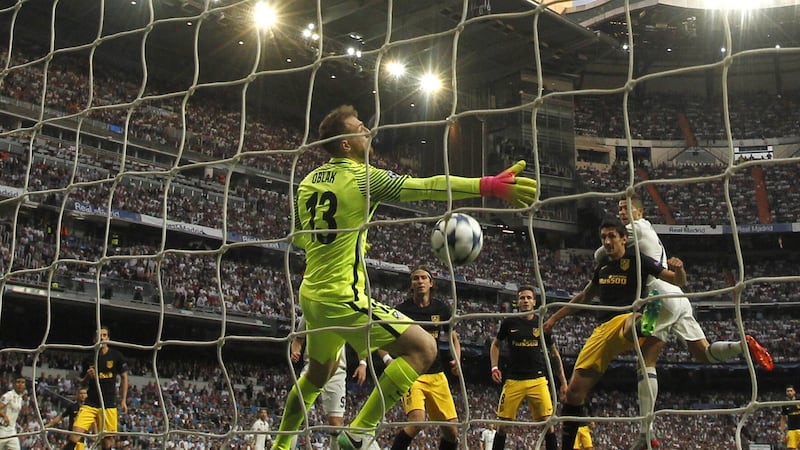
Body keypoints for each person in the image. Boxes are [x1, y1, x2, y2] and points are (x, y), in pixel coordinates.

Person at [271, 105, 537, 450]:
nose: (368, 130)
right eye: (360, 127)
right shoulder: (363, 177)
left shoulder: (307, 182)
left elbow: (301, 237)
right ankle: (360, 431)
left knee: (316, 376)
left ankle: (280, 445)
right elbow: (427, 187)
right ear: (347, 144)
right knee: (424, 348)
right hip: (341, 296)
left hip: (311, 296)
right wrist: (487, 185)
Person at [612, 195, 774, 449]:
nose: (622, 212)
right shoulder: (649, 228)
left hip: (657, 296)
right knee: (704, 354)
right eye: (619, 208)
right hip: (678, 297)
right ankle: (742, 345)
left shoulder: (638, 227)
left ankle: (646, 432)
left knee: (645, 360)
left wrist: (600, 253)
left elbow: (608, 248)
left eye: (626, 208)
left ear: (639, 211)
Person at [542, 217, 687, 450]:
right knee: (573, 395)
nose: (607, 242)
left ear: (624, 238)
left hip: (625, 319)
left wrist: (679, 270)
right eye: (603, 238)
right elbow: (585, 296)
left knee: (631, 323)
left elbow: (677, 281)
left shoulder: (638, 260)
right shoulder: (602, 267)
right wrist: (554, 318)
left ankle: (646, 319)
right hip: (601, 332)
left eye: (611, 236)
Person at [388, 266, 461, 450]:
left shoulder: (441, 309)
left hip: (437, 375)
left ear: (431, 283)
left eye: (423, 278)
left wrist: (457, 359)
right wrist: (387, 359)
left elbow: (453, 337)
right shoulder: (401, 311)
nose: (419, 281)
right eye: (415, 278)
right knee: (417, 421)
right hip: (413, 373)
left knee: (452, 433)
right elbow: (383, 339)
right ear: (411, 284)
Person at [489, 285, 567, 450]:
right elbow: (496, 344)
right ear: (517, 301)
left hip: (537, 380)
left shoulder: (541, 324)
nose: (525, 301)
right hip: (514, 380)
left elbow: (554, 354)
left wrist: (563, 382)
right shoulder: (509, 322)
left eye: (528, 298)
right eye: (522, 298)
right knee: (502, 426)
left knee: (548, 424)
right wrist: (494, 367)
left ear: (534, 301)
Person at [289, 316, 368, 450]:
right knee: (296, 412)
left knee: (336, 423)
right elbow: (298, 339)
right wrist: (295, 351)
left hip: (337, 370)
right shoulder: (309, 308)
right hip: (312, 367)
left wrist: (363, 363)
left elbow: (358, 338)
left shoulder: (342, 310)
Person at [63, 325, 129, 450]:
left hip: (109, 404)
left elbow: (125, 377)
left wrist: (124, 399)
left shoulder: (116, 356)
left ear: (108, 338)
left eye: (104, 335)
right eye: (99, 336)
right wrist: (88, 376)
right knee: (74, 436)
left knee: (107, 443)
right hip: (90, 404)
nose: (102, 338)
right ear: (94, 340)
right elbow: (82, 383)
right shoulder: (88, 359)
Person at [0, 374, 26, 450]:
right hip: (2, 429)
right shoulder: (8, 395)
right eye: (18, 382)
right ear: (14, 383)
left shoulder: (20, 398)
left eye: (22, 382)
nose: (20, 385)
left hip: (12, 431)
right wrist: (4, 416)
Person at [781, 385, 800, 450]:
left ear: (794, 392)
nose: (789, 392)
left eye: (791, 391)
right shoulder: (785, 404)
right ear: (786, 393)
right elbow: (783, 418)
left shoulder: (799, 400)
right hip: (791, 430)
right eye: (788, 391)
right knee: (791, 448)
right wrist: (782, 432)